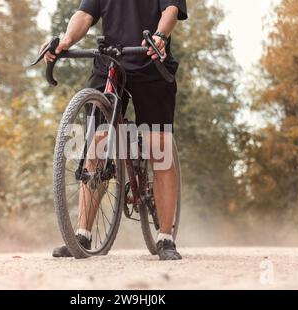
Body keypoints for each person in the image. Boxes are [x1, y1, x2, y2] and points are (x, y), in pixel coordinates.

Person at [41, 0, 188, 261]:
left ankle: (165, 237)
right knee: (97, 141)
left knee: (159, 146)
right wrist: (66, 41)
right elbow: (85, 15)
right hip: (109, 61)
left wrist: (160, 35)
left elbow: (171, 10)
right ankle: (83, 233)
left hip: (150, 61)